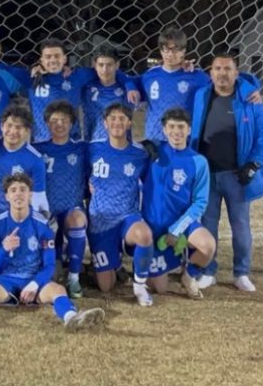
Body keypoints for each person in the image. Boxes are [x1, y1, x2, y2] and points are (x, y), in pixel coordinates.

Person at [0, 172, 104, 330]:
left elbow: (49, 265)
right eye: (13, 190)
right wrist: (4, 250)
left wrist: (34, 284)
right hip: (7, 280)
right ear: (6, 196)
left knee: (58, 290)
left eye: (23, 189)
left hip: (35, 279)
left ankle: (72, 318)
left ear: (30, 195)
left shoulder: (42, 225)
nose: (18, 194)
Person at [190, 49, 263, 292]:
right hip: (206, 176)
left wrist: (253, 164)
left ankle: (241, 273)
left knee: (240, 225)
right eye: (217, 68)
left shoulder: (251, 100)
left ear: (237, 73)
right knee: (208, 224)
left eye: (228, 69)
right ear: (210, 73)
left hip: (237, 176)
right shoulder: (200, 96)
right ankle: (208, 271)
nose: (222, 73)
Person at [140, 107, 215, 299]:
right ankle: (163, 265)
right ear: (164, 129)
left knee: (208, 246)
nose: (176, 131)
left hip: (182, 224)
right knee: (160, 289)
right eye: (171, 126)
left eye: (181, 127)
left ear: (189, 130)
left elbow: (200, 202)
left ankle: (189, 275)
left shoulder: (199, 162)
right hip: (153, 226)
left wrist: (176, 229)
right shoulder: (151, 151)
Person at [86, 104, 156, 306]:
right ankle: (113, 262)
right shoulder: (92, 148)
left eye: (122, 118)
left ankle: (140, 285)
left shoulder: (140, 154)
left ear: (129, 122)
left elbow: (150, 181)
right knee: (106, 286)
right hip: (100, 220)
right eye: (113, 118)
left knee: (144, 235)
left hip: (127, 216)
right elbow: (78, 172)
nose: (117, 122)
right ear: (105, 123)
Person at [0, 103, 50, 255]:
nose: (13, 131)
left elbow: (39, 198)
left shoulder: (34, 159)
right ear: (1, 126)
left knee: (11, 263)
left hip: (11, 220)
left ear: (27, 131)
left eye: (19, 127)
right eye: (9, 125)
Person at [35, 99, 89, 298]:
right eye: (54, 120)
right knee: (52, 274)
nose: (59, 124)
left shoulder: (82, 148)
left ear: (72, 123)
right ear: (47, 123)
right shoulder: (37, 149)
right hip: (46, 211)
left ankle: (74, 277)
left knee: (77, 220)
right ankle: (57, 259)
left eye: (64, 120)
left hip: (70, 208)